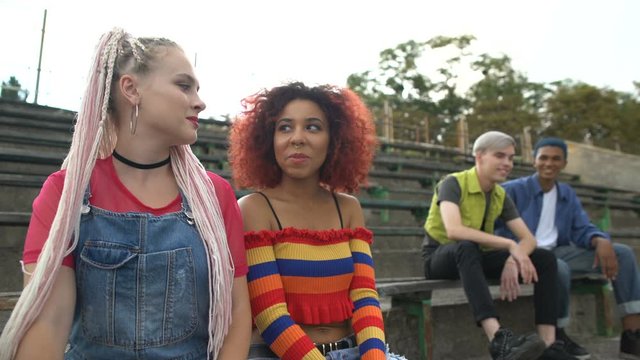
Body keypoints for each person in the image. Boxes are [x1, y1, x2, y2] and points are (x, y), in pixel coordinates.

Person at [0, 28, 251, 359]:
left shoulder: (216, 195)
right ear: (131, 89)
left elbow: (235, 316)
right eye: (183, 85)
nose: (200, 102)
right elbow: (48, 322)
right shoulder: (66, 193)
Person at [228, 82, 405, 359]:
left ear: (334, 140)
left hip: (351, 351)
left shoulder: (348, 208)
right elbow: (270, 314)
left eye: (312, 127)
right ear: (267, 139)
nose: (297, 138)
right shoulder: (254, 208)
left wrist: (374, 357)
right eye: (285, 127)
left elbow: (365, 297)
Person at [422, 131, 577, 360]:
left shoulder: (500, 195)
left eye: (511, 158)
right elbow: (454, 230)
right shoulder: (453, 183)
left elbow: (528, 240)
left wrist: (512, 258)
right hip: (439, 257)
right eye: (500, 156)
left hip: (474, 257)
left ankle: (549, 344)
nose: (507, 163)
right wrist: (508, 245)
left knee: (544, 259)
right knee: (466, 246)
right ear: (480, 156)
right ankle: (499, 341)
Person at [496, 137, 640, 360]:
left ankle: (632, 335)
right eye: (543, 158)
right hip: (525, 254)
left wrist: (600, 239)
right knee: (557, 267)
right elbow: (493, 228)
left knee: (623, 253)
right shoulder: (512, 190)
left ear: (564, 164)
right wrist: (511, 252)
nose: (549, 163)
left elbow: (581, 229)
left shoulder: (567, 194)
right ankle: (559, 335)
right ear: (534, 161)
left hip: (559, 251)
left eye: (556, 159)